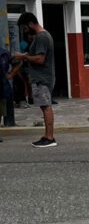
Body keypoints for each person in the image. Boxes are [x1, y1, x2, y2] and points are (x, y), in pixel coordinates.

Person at [14, 12, 57, 148]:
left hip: (42, 79)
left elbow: (40, 59)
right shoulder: (42, 36)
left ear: (31, 24)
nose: (25, 32)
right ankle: (47, 135)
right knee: (45, 106)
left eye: (25, 28)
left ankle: (50, 138)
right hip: (42, 78)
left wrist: (24, 57)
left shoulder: (42, 37)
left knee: (46, 106)